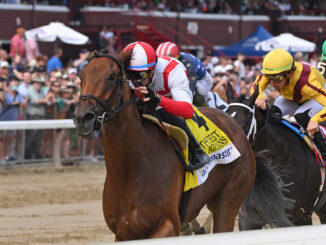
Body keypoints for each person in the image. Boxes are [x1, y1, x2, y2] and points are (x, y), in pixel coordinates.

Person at [123, 41, 209, 170]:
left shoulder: (173, 71)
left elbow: (187, 111)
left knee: (163, 112)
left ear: (152, 70)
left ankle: (198, 152)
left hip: (171, 94)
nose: (134, 81)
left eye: (139, 75)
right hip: (151, 93)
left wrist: (158, 99)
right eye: (130, 75)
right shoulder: (132, 77)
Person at [251, 48, 326, 159]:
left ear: (290, 74)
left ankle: (323, 151)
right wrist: (260, 96)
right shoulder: (277, 72)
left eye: (276, 78)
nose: (272, 83)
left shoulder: (308, 82)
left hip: (313, 96)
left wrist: (315, 120)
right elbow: (257, 85)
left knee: (301, 116)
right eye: (268, 77)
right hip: (294, 95)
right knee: (271, 116)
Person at [156, 42, 214, 107]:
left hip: (202, 80)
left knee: (195, 96)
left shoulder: (188, 62)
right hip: (189, 76)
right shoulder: (176, 58)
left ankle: (207, 111)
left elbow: (191, 83)